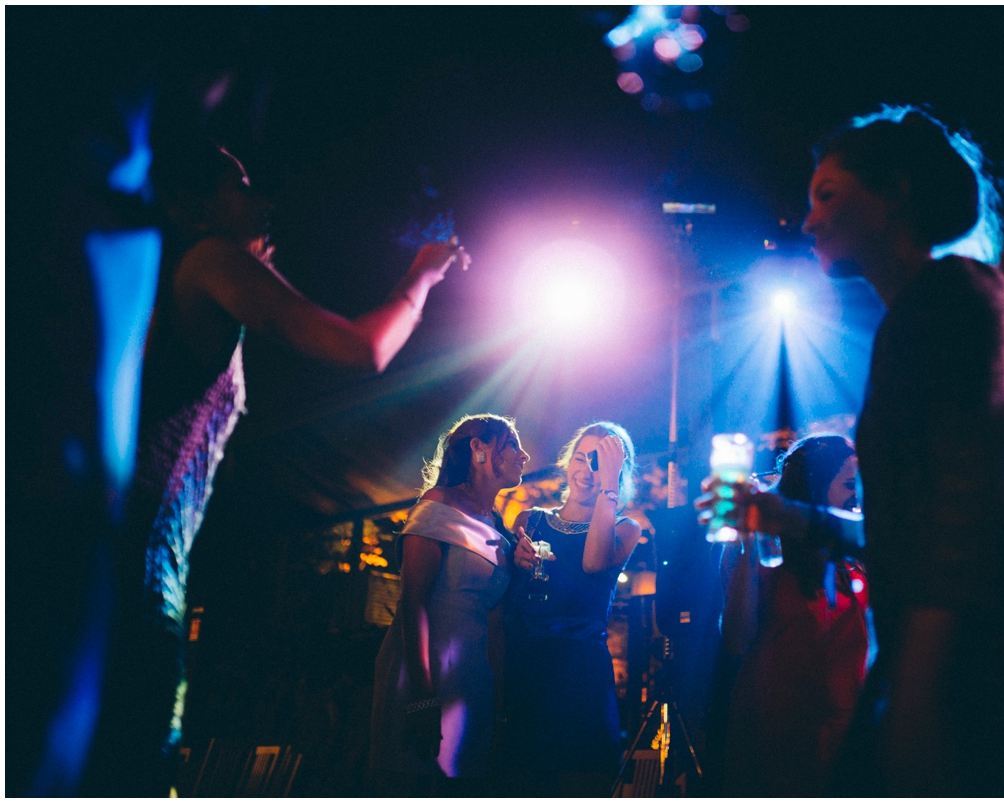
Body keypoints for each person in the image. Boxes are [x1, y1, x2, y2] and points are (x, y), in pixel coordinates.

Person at [702, 107, 1004, 795]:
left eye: (828, 195)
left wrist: (917, 704)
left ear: (895, 194)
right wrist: (790, 519)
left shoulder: (954, 304)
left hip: (993, 685)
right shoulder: (934, 308)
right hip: (959, 673)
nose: (807, 220)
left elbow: (966, 536)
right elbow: (917, 537)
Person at [81, 138, 469, 796]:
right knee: (135, 751)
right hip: (142, 546)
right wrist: (422, 278)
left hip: (132, 543)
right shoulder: (208, 258)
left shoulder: (178, 269)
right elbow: (362, 348)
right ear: (193, 205)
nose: (258, 198)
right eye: (238, 183)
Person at [370, 414, 531, 795]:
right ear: (479, 448)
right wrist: (421, 699)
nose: (523, 455)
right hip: (423, 673)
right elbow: (413, 602)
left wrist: (497, 698)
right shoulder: (439, 503)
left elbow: (495, 620)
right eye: (511, 443)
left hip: (472, 681)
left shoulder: (499, 527)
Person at [720, 435, 871, 797]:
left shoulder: (858, 551)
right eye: (850, 484)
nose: (859, 494)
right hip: (778, 732)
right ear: (815, 486)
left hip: (847, 732)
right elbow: (737, 639)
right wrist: (746, 546)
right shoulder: (767, 549)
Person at [501, 422, 642, 797]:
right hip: (528, 665)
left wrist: (608, 487)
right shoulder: (529, 520)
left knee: (580, 781)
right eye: (581, 458)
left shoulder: (626, 529)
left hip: (581, 673)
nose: (586, 470)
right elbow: (504, 600)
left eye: (598, 463)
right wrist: (514, 562)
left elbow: (594, 563)